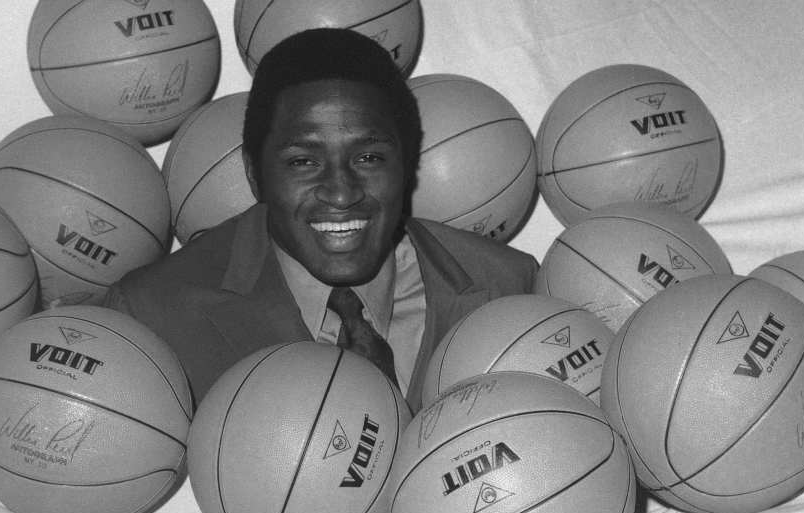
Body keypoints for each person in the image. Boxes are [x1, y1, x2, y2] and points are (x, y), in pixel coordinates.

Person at [104, 28, 537, 414]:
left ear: (405, 165)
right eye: (304, 161)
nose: (342, 192)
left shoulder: (510, 287)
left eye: (368, 158)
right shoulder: (152, 317)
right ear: (256, 175)